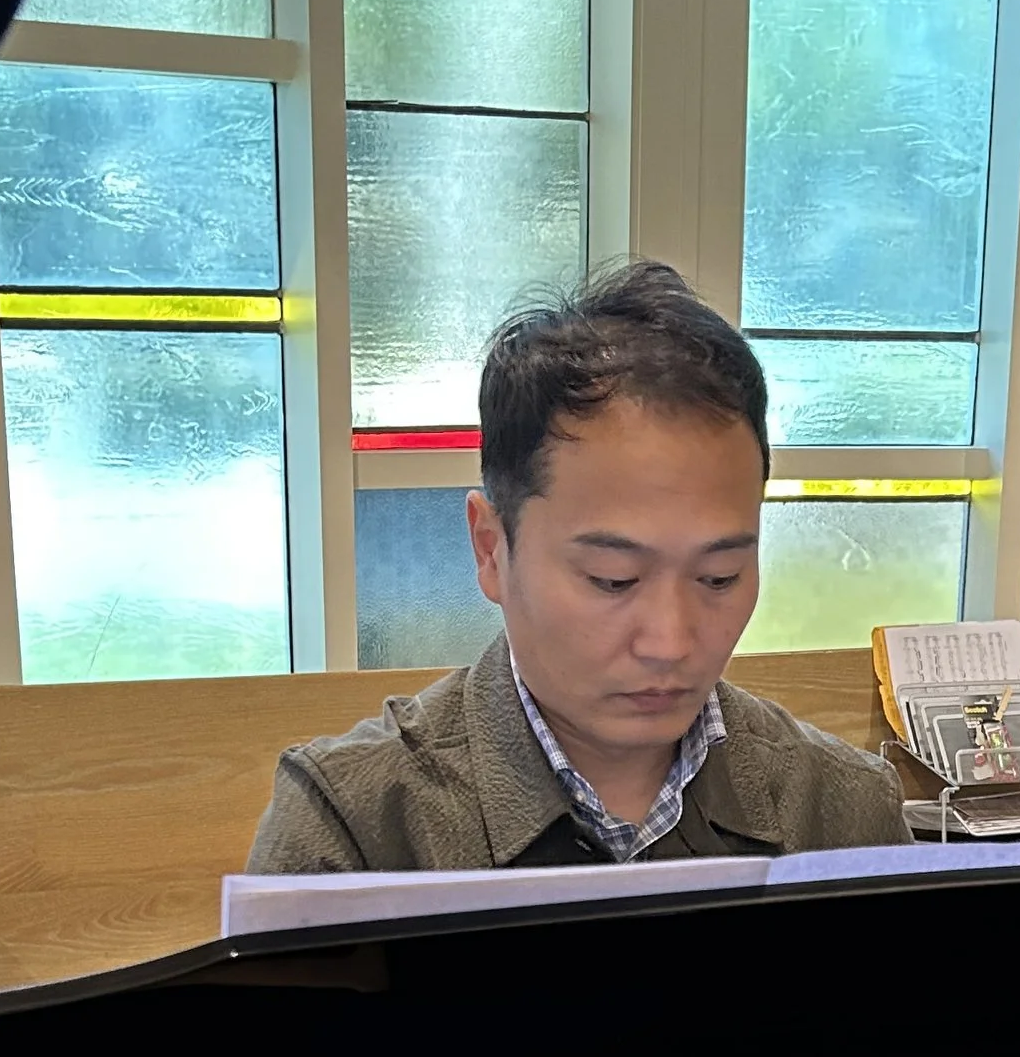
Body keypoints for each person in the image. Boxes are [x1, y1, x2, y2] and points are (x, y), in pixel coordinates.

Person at [246, 263, 906, 872]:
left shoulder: (845, 812)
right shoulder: (353, 829)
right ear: (490, 549)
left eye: (719, 577)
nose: (670, 642)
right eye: (613, 579)